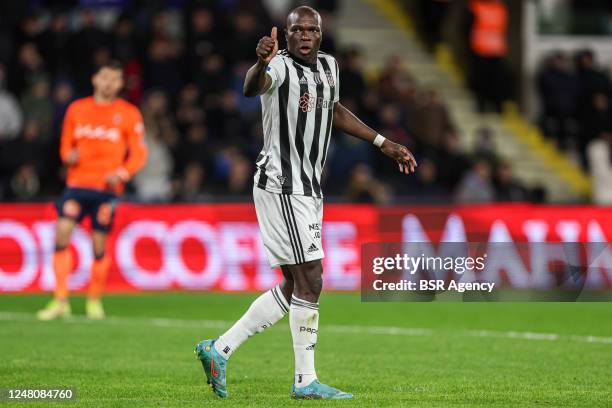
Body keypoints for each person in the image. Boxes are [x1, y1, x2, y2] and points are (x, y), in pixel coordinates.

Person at [194, 6, 417, 400]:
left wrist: (383, 143)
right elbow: (252, 86)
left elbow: (333, 109)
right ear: (287, 32)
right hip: (281, 184)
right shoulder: (278, 66)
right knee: (312, 277)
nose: (304, 36)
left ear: (321, 33)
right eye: (297, 29)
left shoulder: (330, 66)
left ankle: (220, 349)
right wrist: (259, 63)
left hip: (309, 188)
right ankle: (305, 381)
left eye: (311, 30)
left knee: (295, 282)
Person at [37, 61, 147, 320]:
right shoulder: (77, 109)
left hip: (106, 190)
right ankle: (60, 299)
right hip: (77, 185)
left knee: (99, 246)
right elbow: (65, 145)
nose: (109, 83)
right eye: (104, 77)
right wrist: (68, 156)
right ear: (95, 79)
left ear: (120, 84)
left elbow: (139, 152)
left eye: (114, 79)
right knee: (62, 232)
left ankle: (94, 300)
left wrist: (121, 173)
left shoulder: (128, 113)